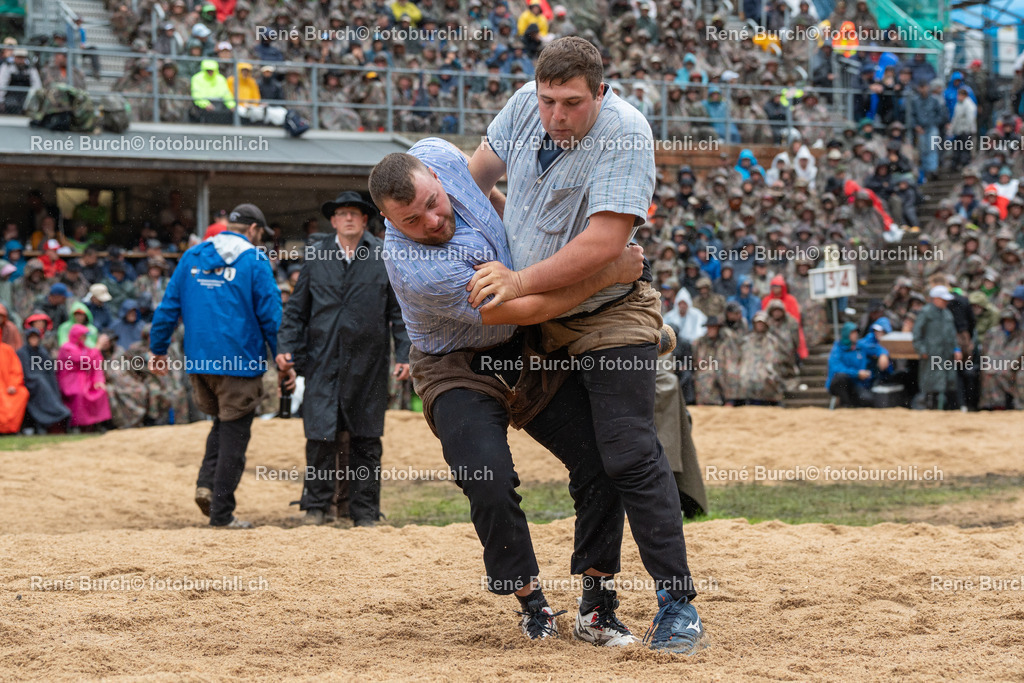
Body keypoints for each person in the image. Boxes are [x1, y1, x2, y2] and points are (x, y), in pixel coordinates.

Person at [465, 37, 705, 654]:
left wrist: (517, 277)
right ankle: (597, 604)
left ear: (601, 91)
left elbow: (605, 248)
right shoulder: (523, 106)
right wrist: (487, 218)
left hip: (609, 312)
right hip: (534, 321)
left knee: (627, 449)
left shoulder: (627, 133)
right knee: (591, 460)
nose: (556, 116)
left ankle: (677, 605)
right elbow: (473, 179)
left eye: (572, 102)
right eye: (548, 100)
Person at [369, 137, 646, 645]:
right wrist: (611, 269)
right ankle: (531, 602)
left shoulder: (440, 154)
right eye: (412, 220)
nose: (431, 221)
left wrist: (507, 217)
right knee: (488, 477)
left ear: (434, 176)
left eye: (433, 203)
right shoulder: (415, 267)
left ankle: (597, 603)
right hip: (456, 366)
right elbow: (529, 307)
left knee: (606, 458)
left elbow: (489, 182)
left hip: (525, 352)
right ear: (390, 222)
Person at [276, 191, 411, 527]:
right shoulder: (316, 255)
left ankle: (364, 512)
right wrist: (286, 347)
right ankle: (316, 507)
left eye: (355, 213)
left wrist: (405, 353)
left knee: (366, 437)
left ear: (365, 220)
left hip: (369, 363)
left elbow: (399, 312)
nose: (348, 218)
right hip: (322, 361)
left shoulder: (383, 255)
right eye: (342, 213)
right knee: (320, 435)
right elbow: (296, 310)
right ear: (333, 221)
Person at [150, 203, 281, 529]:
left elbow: (168, 306)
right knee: (235, 436)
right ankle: (222, 514)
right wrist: (284, 357)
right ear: (253, 230)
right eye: (260, 235)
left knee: (222, 426)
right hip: (238, 362)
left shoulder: (192, 256)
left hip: (200, 362)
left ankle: (206, 485)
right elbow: (271, 316)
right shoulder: (255, 260)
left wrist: (158, 350)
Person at [17, 318, 71, 432]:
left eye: (36, 337)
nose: (34, 340)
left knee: (53, 386)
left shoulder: (42, 351)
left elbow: (49, 370)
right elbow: (26, 372)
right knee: (43, 386)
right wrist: (38, 379)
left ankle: (60, 416)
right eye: (31, 337)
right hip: (32, 385)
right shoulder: (22, 352)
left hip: (45, 382)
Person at [912, 285, 960, 410]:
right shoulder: (926, 313)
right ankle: (930, 407)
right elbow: (917, 334)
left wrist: (956, 349)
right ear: (936, 299)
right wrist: (921, 350)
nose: (946, 302)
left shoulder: (947, 314)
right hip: (931, 354)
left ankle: (946, 408)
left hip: (947, 354)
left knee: (948, 382)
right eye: (944, 300)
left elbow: (953, 334)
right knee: (930, 383)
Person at [56, 323, 111, 431]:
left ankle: (95, 423)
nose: (85, 338)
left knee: (100, 390)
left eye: (85, 336)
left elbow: (96, 364)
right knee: (80, 393)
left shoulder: (86, 348)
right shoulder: (67, 348)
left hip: (87, 378)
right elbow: (84, 360)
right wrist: (98, 346)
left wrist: (99, 380)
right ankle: (77, 424)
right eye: (83, 335)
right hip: (70, 379)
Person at [826, 322, 874, 408]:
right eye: (852, 332)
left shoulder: (860, 346)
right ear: (846, 334)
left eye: (856, 332)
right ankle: (844, 404)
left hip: (856, 384)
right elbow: (836, 368)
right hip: (840, 384)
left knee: (868, 399)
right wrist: (856, 373)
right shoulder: (837, 348)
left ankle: (852, 405)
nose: (855, 335)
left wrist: (883, 354)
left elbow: (875, 348)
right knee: (841, 378)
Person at [0, 337, 28, 433]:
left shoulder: (7, 349)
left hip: (8, 387)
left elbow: (16, 370)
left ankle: (11, 429)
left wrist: (13, 385)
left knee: (23, 393)